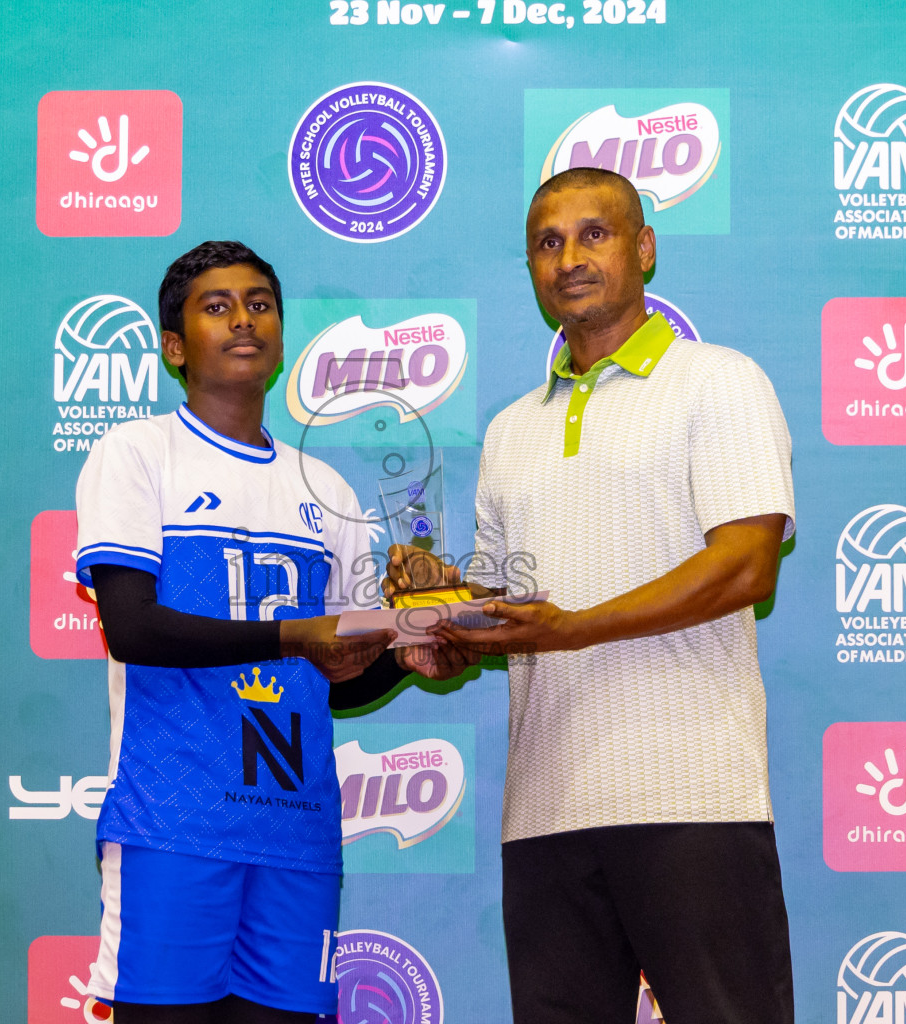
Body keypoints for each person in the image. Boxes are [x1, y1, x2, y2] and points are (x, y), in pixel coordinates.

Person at [387, 167, 797, 1023]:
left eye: (595, 234)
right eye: (548, 242)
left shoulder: (717, 380)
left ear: (644, 248)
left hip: (694, 799)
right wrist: (440, 614)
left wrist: (572, 629)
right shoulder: (510, 428)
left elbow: (746, 567)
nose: (569, 257)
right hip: (544, 812)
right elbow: (508, 608)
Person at [74, 240, 473, 1024]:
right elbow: (132, 628)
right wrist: (294, 634)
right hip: (175, 825)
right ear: (175, 346)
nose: (243, 318)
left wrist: (416, 654)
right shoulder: (136, 455)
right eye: (215, 306)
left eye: (259, 303)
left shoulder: (326, 488)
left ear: (283, 339)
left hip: (297, 831)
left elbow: (341, 667)